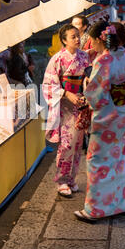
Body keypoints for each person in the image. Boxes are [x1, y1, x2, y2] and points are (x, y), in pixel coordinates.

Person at [74, 21, 125, 223]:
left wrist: (87, 84)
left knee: (98, 160)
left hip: (107, 115)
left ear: (99, 38)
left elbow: (95, 94)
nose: (89, 43)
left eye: (90, 39)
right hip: (122, 113)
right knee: (117, 159)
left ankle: (96, 209)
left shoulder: (104, 60)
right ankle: (119, 203)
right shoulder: (124, 55)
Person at [42, 24, 90, 197]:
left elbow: (89, 78)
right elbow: (48, 84)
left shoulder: (85, 57)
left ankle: (72, 179)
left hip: (80, 104)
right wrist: (65, 93)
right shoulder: (57, 59)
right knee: (66, 144)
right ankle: (62, 180)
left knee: (78, 145)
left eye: (78, 36)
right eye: (73, 37)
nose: (77, 39)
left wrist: (86, 92)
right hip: (64, 107)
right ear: (64, 40)